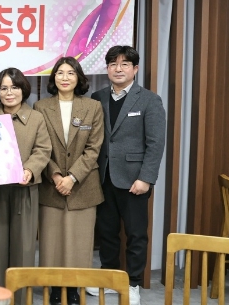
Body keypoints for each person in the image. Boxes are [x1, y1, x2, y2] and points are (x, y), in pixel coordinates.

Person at [89, 46, 165, 305]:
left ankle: (133, 283)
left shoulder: (149, 100)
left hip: (134, 179)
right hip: (103, 177)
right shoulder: (98, 97)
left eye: (124, 64)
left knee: (136, 234)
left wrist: (146, 178)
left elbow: (155, 144)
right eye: (113, 64)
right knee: (107, 232)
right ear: (107, 69)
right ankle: (109, 279)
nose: (118, 69)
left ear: (135, 69)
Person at [0, 67, 51, 305]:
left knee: (24, 247)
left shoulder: (36, 118)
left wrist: (29, 170)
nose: (9, 93)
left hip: (25, 190)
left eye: (15, 87)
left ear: (23, 90)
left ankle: (20, 298)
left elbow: (43, 149)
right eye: (4, 88)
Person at [33, 57, 104, 305]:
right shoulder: (41, 107)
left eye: (70, 73)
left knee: (80, 240)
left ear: (79, 78)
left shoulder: (93, 107)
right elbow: (40, 146)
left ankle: (74, 287)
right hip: (50, 184)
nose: (65, 77)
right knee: (51, 239)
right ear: (53, 78)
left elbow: (94, 148)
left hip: (83, 184)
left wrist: (72, 177)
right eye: (60, 73)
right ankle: (54, 286)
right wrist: (54, 175)